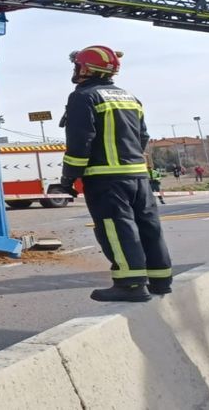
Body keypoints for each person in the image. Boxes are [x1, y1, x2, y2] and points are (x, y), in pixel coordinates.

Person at [60, 45, 172, 301]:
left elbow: (80, 141)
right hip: (138, 176)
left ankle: (130, 285)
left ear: (86, 68)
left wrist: (68, 179)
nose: (75, 70)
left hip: (106, 179)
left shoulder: (83, 97)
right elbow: (142, 136)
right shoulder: (130, 97)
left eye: (77, 65)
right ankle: (161, 279)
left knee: (116, 228)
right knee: (148, 226)